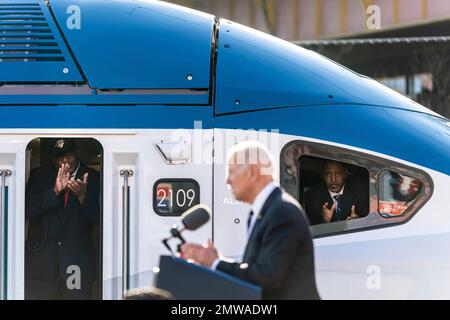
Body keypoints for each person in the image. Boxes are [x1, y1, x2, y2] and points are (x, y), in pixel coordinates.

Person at [181, 141, 320, 300]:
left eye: (231, 172)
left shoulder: (282, 212)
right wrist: (211, 262)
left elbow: (267, 277)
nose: (227, 180)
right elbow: (256, 273)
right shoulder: (264, 212)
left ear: (253, 172)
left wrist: (216, 262)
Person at [25, 138, 101, 300]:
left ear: (76, 154)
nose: (64, 160)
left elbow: (98, 219)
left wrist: (82, 197)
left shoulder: (94, 178)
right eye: (59, 157)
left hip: (77, 265)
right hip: (43, 265)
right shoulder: (39, 176)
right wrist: (54, 191)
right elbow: (28, 211)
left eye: (68, 155)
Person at [304, 160, 369, 225]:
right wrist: (324, 222)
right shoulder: (311, 197)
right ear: (323, 176)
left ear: (345, 174)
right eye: (328, 174)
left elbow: (371, 222)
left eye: (337, 174)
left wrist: (358, 221)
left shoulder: (360, 190)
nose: (333, 179)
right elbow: (310, 231)